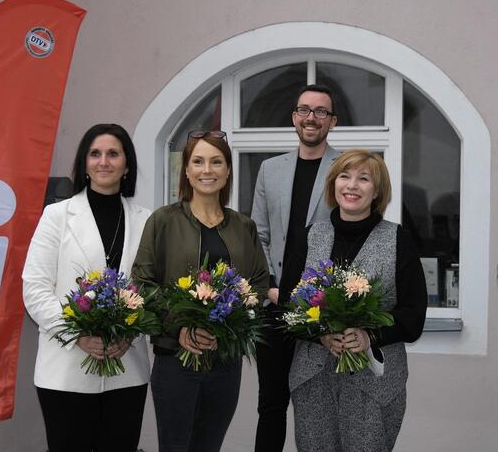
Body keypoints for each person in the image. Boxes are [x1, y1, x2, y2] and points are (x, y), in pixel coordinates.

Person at [279, 149, 428, 451]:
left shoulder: (399, 240)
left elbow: (414, 316)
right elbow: (288, 305)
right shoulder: (308, 237)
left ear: (377, 192)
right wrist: (320, 335)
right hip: (313, 381)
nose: (352, 185)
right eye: (344, 176)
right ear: (334, 185)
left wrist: (369, 336)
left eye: (364, 179)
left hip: (373, 385)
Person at [132, 130, 269, 452]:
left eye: (216, 162)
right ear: (187, 170)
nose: (207, 170)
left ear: (228, 170)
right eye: (198, 161)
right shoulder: (163, 221)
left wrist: (233, 324)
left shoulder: (243, 226)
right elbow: (141, 283)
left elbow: (259, 283)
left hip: (226, 362)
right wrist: (180, 325)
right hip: (175, 360)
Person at [22, 123, 151, 452]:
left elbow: (152, 289)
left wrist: (131, 332)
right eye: (95, 154)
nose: (103, 162)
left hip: (127, 370)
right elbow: (34, 289)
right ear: (84, 163)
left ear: (126, 165)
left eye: (113, 154)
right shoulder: (56, 216)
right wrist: (78, 334)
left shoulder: (145, 220)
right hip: (65, 372)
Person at [251, 84, 341, 451]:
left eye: (321, 112)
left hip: (322, 308)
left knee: (319, 405)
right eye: (305, 109)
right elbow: (258, 233)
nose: (311, 117)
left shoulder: (346, 168)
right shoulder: (270, 169)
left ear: (331, 122)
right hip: (275, 305)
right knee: (271, 404)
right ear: (294, 117)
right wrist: (271, 287)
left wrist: (325, 298)